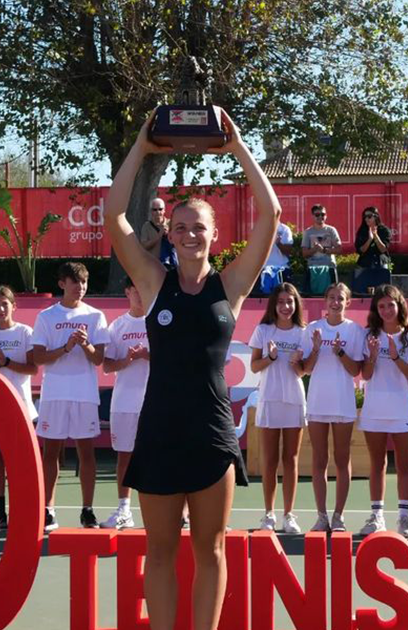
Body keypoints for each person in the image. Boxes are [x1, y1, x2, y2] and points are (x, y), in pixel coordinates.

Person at [104, 108, 278, 630]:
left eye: (197, 226)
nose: (187, 234)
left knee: (212, 550)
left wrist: (238, 148)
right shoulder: (155, 281)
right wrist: (141, 145)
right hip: (158, 432)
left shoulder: (232, 286)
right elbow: (114, 217)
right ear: (169, 233)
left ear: (213, 232)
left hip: (211, 436)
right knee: (158, 552)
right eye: (179, 227)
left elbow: (270, 216)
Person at [31, 261, 109, 532]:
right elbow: (38, 357)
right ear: (62, 283)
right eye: (75, 282)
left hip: (84, 393)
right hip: (54, 393)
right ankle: (48, 510)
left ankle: (87, 510)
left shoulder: (95, 316)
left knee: (86, 452)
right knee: (50, 452)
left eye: (84, 283)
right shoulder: (47, 317)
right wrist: (66, 347)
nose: (80, 288)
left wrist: (85, 343)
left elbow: (99, 359)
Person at [358, 285, 408, 538]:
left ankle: (404, 519)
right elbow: (366, 374)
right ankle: (377, 517)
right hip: (374, 409)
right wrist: (373, 355)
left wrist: (396, 358)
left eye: (390, 305)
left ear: (399, 306)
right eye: (381, 306)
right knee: (377, 464)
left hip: (402, 408)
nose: (386, 310)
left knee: (404, 465)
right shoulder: (368, 336)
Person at [300, 282, 364, 532]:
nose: (335, 302)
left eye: (341, 298)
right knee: (318, 459)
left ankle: (338, 516)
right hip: (317, 401)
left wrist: (339, 352)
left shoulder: (355, 331)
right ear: (325, 301)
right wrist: (316, 349)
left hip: (343, 403)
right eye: (331, 298)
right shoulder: (313, 329)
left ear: (348, 303)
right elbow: (306, 369)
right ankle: (322, 516)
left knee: (341, 458)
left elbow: (355, 370)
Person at [0, 285, 39, 530]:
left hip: (20, 405)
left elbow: (33, 368)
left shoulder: (26, 332)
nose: (1, 309)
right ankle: (0, 512)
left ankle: (24, 510)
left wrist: (9, 362)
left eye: (5, 304)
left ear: (14, 306)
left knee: (21, 460)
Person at [249, 282, 307, 534]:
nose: (285, 306)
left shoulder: (302, 332)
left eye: (290, 302)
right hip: (269, 399)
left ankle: (289, 515)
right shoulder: (263, 331)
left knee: (291, 459)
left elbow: (305, 370)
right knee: (270, 460)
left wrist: (297, 363)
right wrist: (270, 358)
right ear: (274, 304)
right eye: (281, 302)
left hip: (294, 399)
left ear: (296, 305)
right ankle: (269, 514)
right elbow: (254, 366)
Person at [101, 276, 150, 530]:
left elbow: (174, 360)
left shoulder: (159, 321)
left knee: (159, 457)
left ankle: (173, 514)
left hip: (155, 402)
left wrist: (147, 355)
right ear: (127, 292)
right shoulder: (117, 326)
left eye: (144, 288)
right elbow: (107, 366)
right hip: (124, 402)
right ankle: (124, 510)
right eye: (136, 290)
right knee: (125, 458)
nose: (140, 294)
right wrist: (127, 361)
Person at [300, 205, 341, 294]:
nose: (320, 217)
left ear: (326, 215)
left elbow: (339, 249)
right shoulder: (308, 232)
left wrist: (325, 250)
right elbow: (304, 253)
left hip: (329, 267)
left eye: (323, 214)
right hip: (312, 269)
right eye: (317, 215)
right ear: (312, 216)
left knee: (332, 294)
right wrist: (314, 249)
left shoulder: (331, 230)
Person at [256, 221, 294, 294]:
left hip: (282, 269)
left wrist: (278, 243)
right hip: (263, 269)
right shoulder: (260, 229)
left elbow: (289, 251)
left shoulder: (285, 229)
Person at [139, 197, 176, 267]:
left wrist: (169, 235)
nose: (158, 212)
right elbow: (144, 246)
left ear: (164, 210)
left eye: (160, 209)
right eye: (155, 210)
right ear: (151, 211)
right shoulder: (146, 226)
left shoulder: (171, 224)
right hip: (152, 265)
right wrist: (158, 236)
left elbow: (178, 243)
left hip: (170, 265)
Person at [354, 207, 392, 271]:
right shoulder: (362, 231)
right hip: (364, 264)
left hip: (381, 262)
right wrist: (370, 239)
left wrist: (375, 236)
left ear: (376, 217)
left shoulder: (384, 230)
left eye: (369, 216)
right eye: (365, 217)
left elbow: (383, 249)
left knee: (382, 279)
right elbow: (361, 250)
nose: (366, 219)